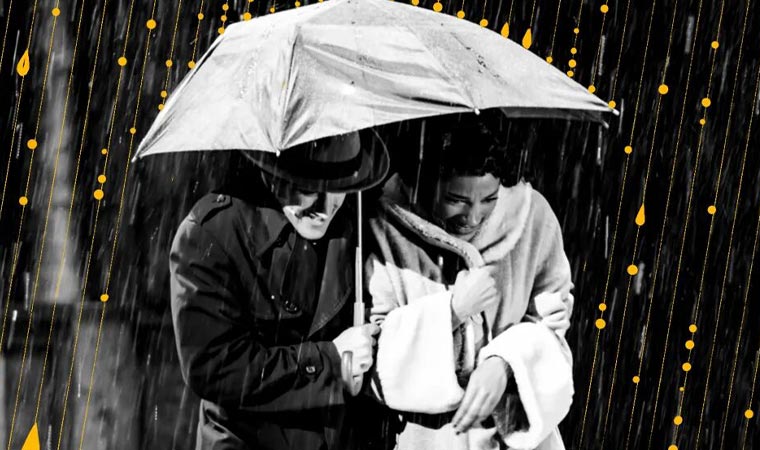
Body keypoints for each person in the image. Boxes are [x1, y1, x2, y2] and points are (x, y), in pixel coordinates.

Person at [169, 131, 395, 450]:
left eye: (338, 188)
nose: (325, 208)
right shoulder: (213, 233)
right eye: (308, 189)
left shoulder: (362, 219)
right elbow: (214, 367)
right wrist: (331, 362)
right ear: (271, 172)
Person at [365, 116, 575, 450]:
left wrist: (507, 363)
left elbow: (552, 323)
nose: (473, 217)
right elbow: (372, 354)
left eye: (489, 199)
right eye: (456, 200)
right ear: (425, 179)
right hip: (428, 438)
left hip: (514, 432)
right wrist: (451, 311)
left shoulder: (531, 216)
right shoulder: (383, 227)